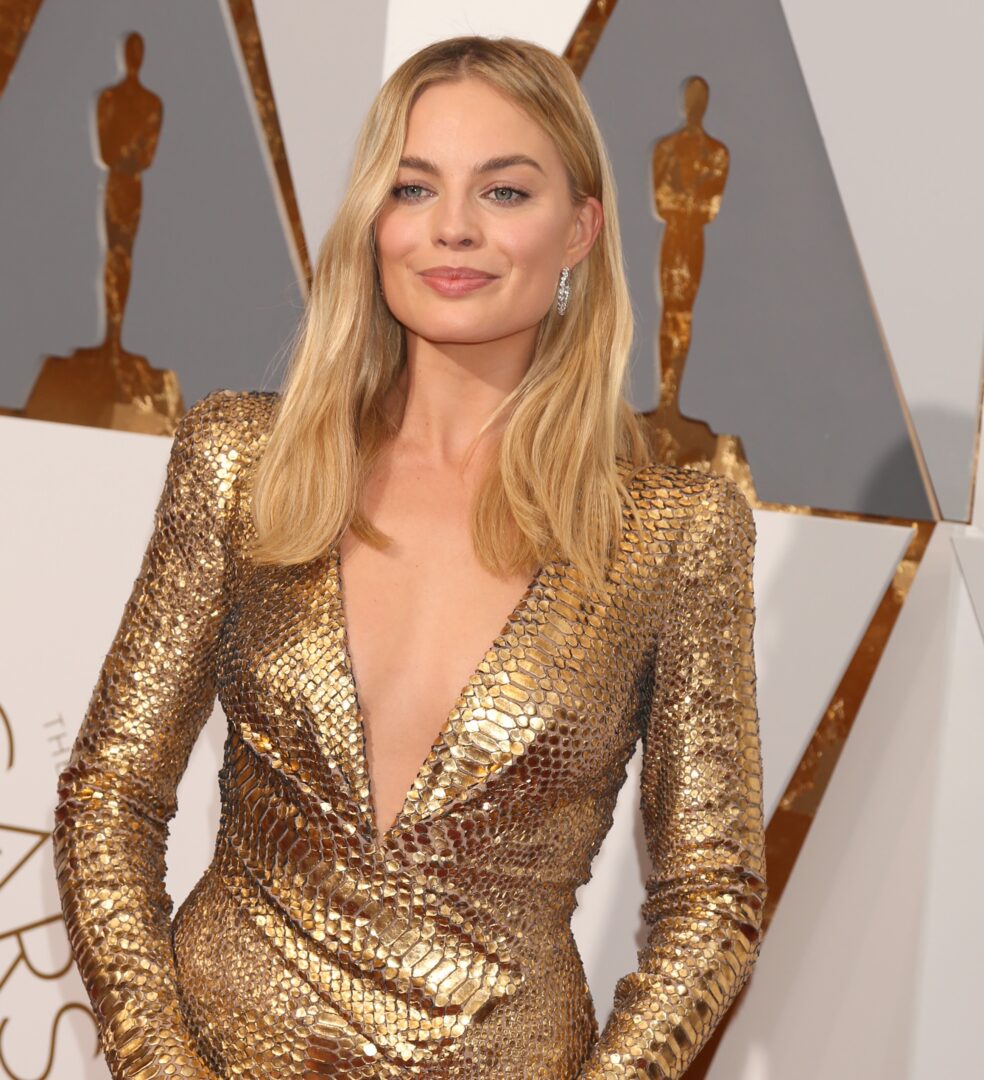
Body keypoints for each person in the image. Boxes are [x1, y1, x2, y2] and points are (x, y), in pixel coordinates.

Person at [51, 34, 767, 1080]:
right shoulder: (245, 461)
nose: (453, 227)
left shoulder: (673, 531)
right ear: (374, 221)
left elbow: (713, 891)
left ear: (580, 229)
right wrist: (161, 1067)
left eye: (505, 191)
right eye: (414, 186)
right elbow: (109, 796)